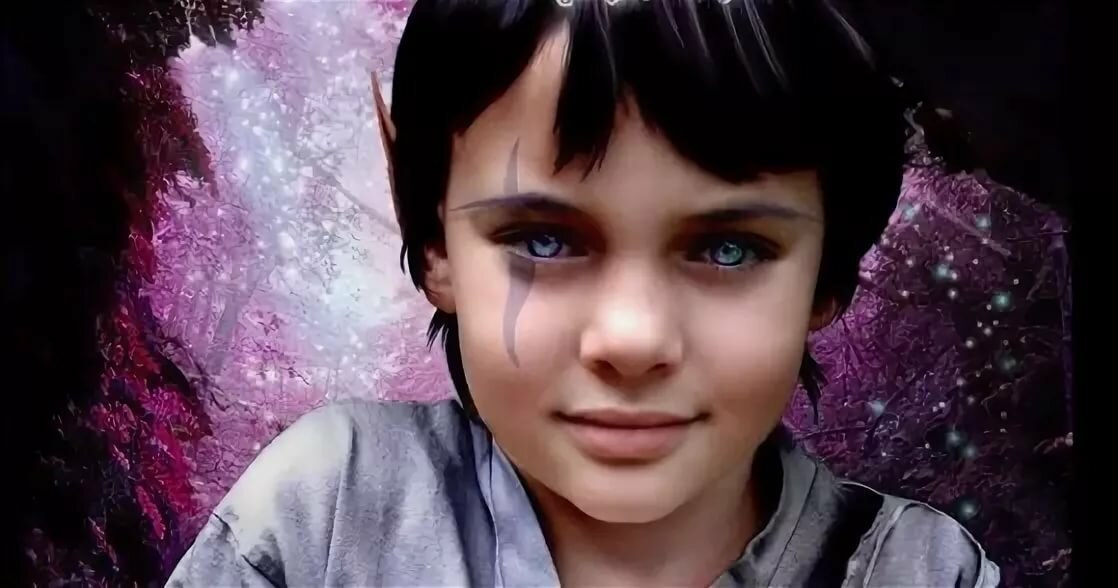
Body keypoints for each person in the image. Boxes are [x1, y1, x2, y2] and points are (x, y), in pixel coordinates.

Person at [167, 0, 1000, 585]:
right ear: (436, 243)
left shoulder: (916, 572)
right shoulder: (331, 514)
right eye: (543, 240)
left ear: (825, 274)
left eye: (729, 249)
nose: (632, 338)